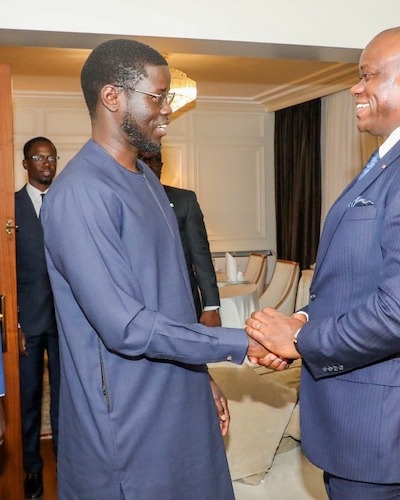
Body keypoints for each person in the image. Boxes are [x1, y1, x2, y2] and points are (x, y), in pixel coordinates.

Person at [245, 24, 400, 499]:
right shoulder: (395, 159)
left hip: (386, 429)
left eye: (368, 74)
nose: (356, 88)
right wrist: (303, 321)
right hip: (360, 424)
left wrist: (299, 339)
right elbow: (355, 284)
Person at [41, 38, 286, 500]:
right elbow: (126, 326)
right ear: (112, 97)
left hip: (179, 396)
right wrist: (240, 342)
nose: (168, 109)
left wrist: (201, 376)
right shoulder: (81, 193)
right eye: (157, 97)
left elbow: (171, 299)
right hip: (130, 420)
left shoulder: (147, 180)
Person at [15, 136, 60, 499]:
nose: (47, 163)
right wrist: (13, 323)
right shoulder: (9, 206)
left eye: (52, 157)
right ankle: (32, 468)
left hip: (66, 322)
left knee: (67, 399)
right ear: (25, 163)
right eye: (39, 157)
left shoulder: (68, 201)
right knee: (28, 399)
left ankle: (68, 461)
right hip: (27, 323)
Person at [138, 150, 221, 327]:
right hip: (139, 303)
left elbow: (200, 255)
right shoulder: (120, 199)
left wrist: (211, 306)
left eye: (155, 159)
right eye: (143, 159)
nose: (149, 164)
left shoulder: (185, 200)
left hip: (183, 302)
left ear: (161, 165)